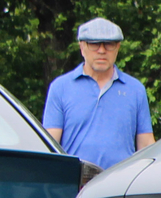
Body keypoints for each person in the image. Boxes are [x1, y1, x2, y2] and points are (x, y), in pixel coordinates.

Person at [42, 18, 155, 171]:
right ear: (82, 47)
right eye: (94, 44)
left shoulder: (135, 90)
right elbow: (50, 146)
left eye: (109, 44)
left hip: (121, 185)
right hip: (75, 184)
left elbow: (146, 145)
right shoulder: (60, 88)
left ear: (118, 47)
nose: (102, 50)